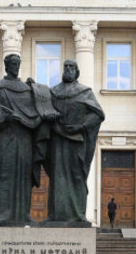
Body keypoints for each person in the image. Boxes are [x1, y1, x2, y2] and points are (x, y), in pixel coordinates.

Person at [0, 53, 54, 225]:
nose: (15, 67)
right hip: (7, 139)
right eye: (12, 64)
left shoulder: (27, 90)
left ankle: (23, 215)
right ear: (6, 66)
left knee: (24, 177)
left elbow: (37, 112)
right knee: (6, 175)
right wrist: (4, 118)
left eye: (17, 64)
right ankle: (3, 215)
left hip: (26, 139)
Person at [43, 60, 105, 224]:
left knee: (77, 176)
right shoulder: (53, 92)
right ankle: (55, 214)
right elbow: (43, 109)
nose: (68, 70)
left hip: (77, 141)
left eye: (72, 67)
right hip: (57, 141)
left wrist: (80, 126)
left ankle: (78, 214)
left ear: (77, 72)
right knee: (57, 177)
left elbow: (98, 114)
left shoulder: (84, 92)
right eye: (66, 67)